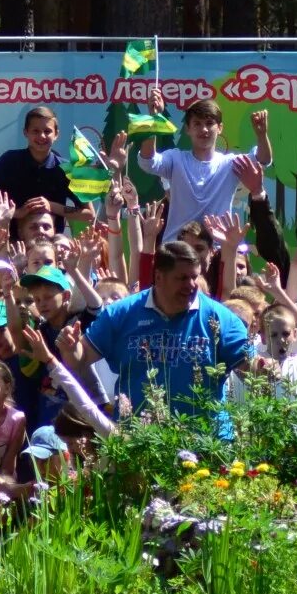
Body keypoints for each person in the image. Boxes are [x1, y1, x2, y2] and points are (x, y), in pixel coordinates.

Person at [67, 241, 254, 435]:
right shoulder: (122, 313)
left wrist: (263, 366)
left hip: (206, 442)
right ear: (159, 277)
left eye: (194, 277)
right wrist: (70, 348)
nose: (191, 285)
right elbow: (80, 358)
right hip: (140, 441)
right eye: (182, 278)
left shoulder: (220, 318)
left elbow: (249, 366)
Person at [128, 91, 273, 236]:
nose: (204, 129)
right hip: (177, 249)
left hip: (216, 250)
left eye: (209, 123)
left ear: (220, 128)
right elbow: (148, 162)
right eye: (197, 123)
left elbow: (263, 160)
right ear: (188, 129)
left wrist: (262, 135)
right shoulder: (176, 159)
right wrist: (154, 119)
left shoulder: (229, 163)